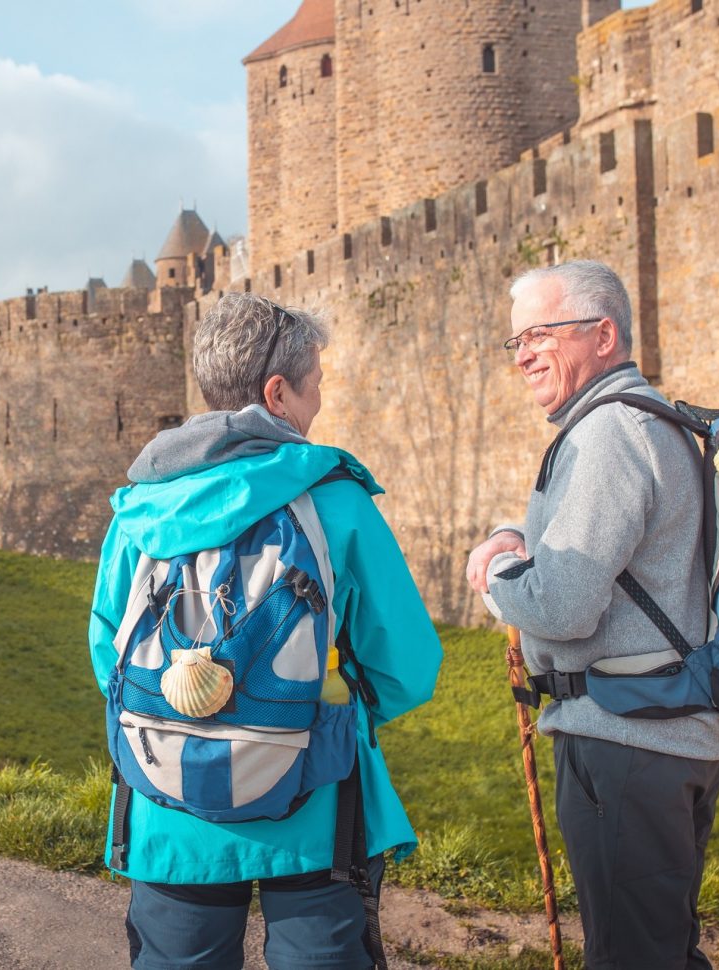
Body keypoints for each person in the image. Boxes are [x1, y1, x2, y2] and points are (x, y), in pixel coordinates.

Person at [90, 292, 442, 970]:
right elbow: (405, 665)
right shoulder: (335, 500)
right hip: (313, 798)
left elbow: (108, 650)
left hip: (170, 798)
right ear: (277, 394)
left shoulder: (138, 511)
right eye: (313, 386)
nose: (317, 404)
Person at [465, 261, 719, 970]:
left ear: (603, 334)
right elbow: (607, 553)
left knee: (633, 958)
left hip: (627, 743)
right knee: (657, 949)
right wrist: (515, 535)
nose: (522, 353)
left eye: (538, 334)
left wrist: (495, 576)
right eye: (514, 340)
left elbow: (561, 604)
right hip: (659, 732)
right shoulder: (650, 418)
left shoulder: (610, 433)